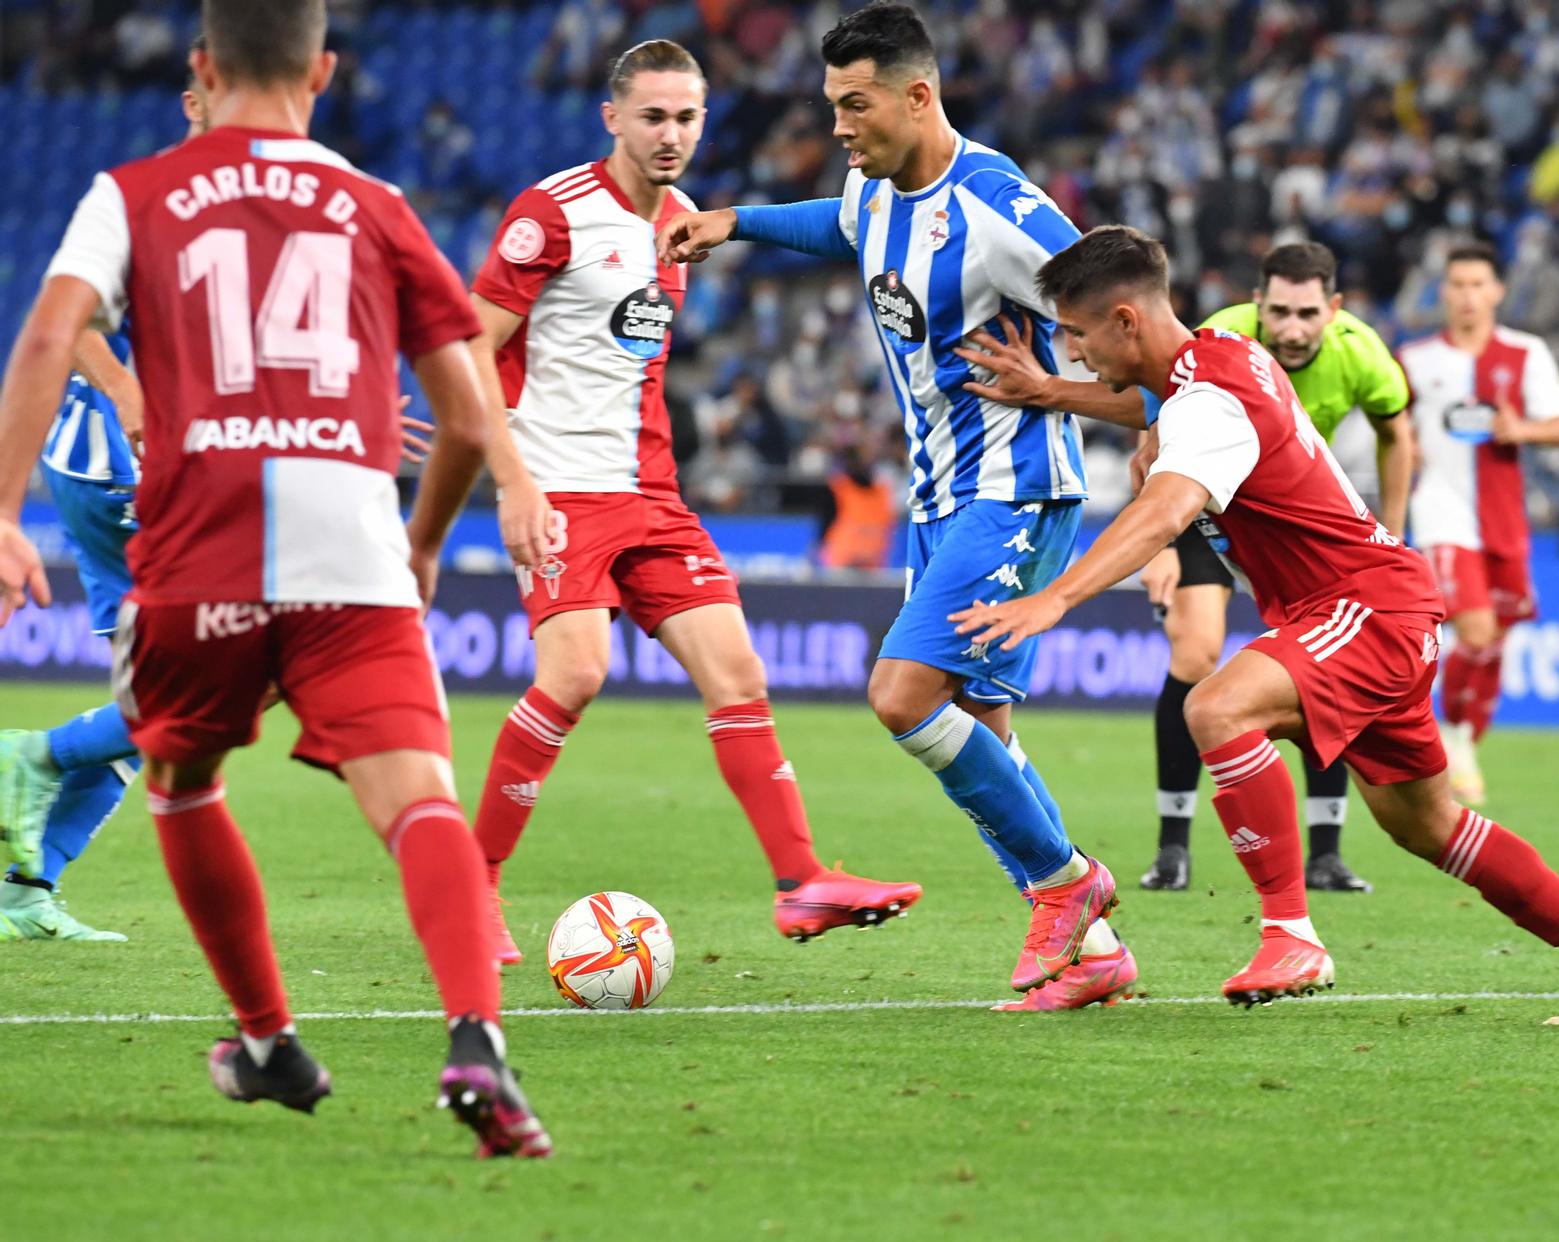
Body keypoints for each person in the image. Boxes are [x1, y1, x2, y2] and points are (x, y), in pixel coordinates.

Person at [0, 0, 551, 1155]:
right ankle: (475, 1037)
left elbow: (51, 336)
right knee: (419, 802)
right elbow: (463, 404)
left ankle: (266, 1042)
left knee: (183, 780)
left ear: (201, 66)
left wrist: (3, 512)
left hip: (196, 552)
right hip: (350, 557)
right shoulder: (375, 204)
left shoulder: (132, 192)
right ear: (326, 70)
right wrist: (462, 517)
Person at [954, 225, 1559, 1027]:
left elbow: (1163, 508)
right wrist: (1053, 395)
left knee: (1216, 707)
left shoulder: (1209, 402)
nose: (1074, 354)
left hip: (1361, 608)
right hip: (1376, 607)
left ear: (1125, 321)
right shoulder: (1219, 357)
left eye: (1077, 334)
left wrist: (1055, 598)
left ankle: (1291, 933)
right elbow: (1149, 401)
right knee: (1430, 825)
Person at [660, 3, 1136, 1010]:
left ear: (918, 97)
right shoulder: (870, 189)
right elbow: (838, 226)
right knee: (980, 724)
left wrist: (1056, 390)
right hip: (939, 496)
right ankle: (1092, 951)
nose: (836, 124)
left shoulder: (1003, 212)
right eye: (831, 103)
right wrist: (734, 222)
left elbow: (1146, 354)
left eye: (854, 104)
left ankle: (1064, 885)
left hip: (1015, 490)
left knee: (902, 696)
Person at [466, 38, 916, 965]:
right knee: (576, 672)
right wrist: (509, 479)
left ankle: (802, 883)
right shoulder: (551, 214)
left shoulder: (682, 222)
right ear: (613, 119)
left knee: (740, 673)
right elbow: (472, 347)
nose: (671, 135)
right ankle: (471, 887)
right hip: (560, 487)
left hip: (653, 496)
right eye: (653, 117)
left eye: (686, 117)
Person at [0, 44, 437, 944]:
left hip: (150, 465)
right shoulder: (167, 195)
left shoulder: (239, 199)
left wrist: (348, 410)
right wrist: (129, 395)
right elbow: (65, 322)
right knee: (232, 678)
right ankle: (33, 757)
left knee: (160, 708)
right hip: (132, 466)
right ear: (196, 99)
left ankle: (23, 879)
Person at [960, 240, 1416, 895]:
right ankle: (1176, 845)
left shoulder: (1360, 354)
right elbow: (1158, 427)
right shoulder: (1221, 337)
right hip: (1203, 499)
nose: (1292, 327)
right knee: (1198, 654)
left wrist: (1396, 529)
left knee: (1316, 681)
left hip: (1290, 515)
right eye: (1279, 310)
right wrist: (1054, 394)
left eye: (1307, 313)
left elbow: (1396, 432)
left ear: (1333, 311)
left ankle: (1325, 852)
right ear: (1256, 302)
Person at [1398, 243, 1559, 805]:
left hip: (1502, 517)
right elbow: (1393, 426)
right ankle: (1452, 742)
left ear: (1497, 291)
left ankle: (1462, 738)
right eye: (1457, 284)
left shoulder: (1526, 353)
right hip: (1441, 513)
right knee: (1473, 630)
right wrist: (1404, 447)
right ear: (1443, 292)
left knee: (1495, 639)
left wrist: (1519, 429)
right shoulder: (1415, 358)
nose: (1468, 295)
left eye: (1478, 283)